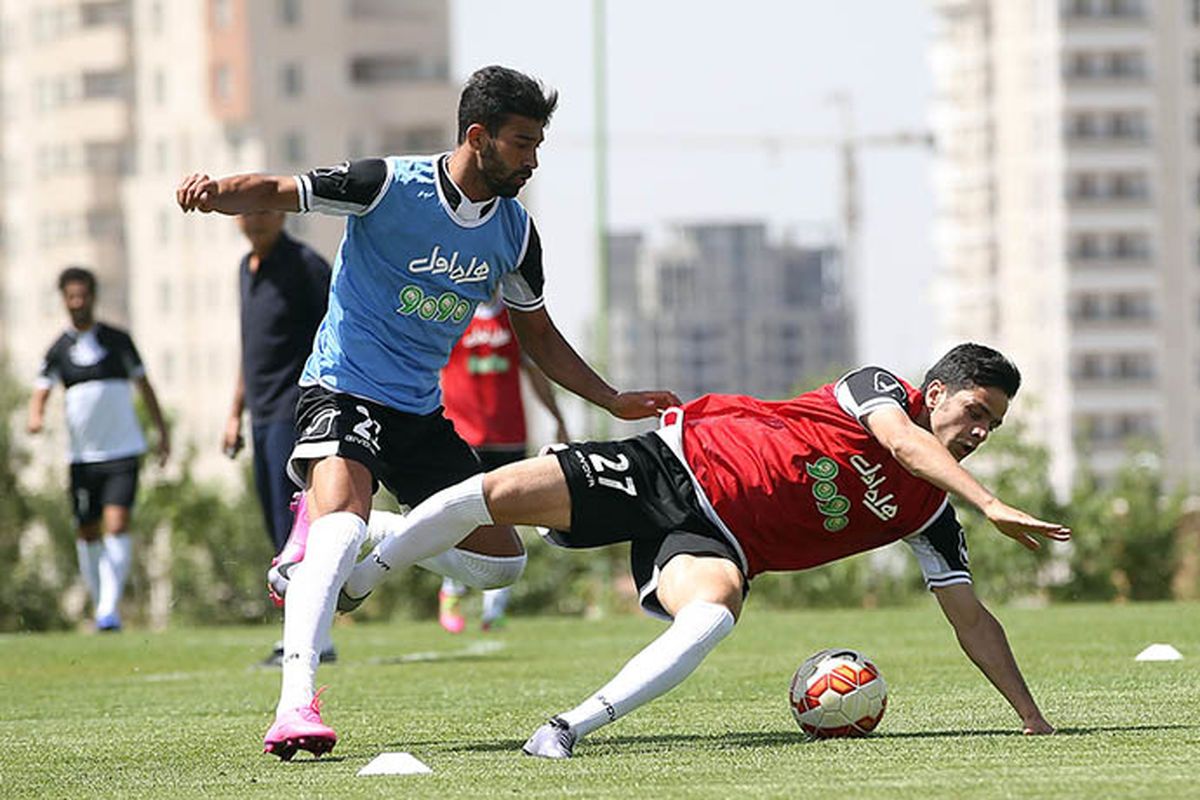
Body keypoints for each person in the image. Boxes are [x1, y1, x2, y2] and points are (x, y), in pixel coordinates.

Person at [175, 65, 679, 760]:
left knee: (500, 564)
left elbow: (538, 337)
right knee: (341, 517)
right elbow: (279, 190)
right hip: (343, 387)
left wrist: (612, 399)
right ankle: (296, 706)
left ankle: (353, 562)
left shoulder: (514, 234)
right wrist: (214, 193)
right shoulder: (386, 184)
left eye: (538, 144)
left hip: (419, 412)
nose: (533, 160)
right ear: (479, 137)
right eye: (522, 143)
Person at [336, 343, 1072, 757]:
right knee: (489, 499)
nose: (979, 432)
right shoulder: (879, 389)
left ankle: (563, 730)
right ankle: (365, 571)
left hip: (715, 540)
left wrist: (1031, 718)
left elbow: (971, 618)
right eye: (975, 411)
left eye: (993, 426)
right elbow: (904, 445)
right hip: (674, 463)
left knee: (714, 613)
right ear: (936, 392)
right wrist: (994, 501)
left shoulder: (934, 512)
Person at [27, 266, 170, 632]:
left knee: (118, 524)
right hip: (82, 458)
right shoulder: (59, 349)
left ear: (92, 296)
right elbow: (40, 390)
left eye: (83, 295)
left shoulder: (118, 341)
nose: (77, 303)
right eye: (71, 297)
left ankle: (108, 609)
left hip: (123, 451)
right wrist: (36, 417)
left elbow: (145, 385)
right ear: (64, 300)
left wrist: (161, 432)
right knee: (87, 530)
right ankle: (100, 599)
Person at [222, 210, 335, 667]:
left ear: (283, 212)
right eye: (246, 210)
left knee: (300, 530)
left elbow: (337, 330)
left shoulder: (305, 265)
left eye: (263, 207)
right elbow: (249, 350)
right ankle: (301, 633)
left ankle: (315, 640)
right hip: (261, 416)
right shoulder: (245, 269)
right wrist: (234, 411)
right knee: (276, 527)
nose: (255, 218)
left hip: (297, 411)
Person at [436, 295, 570, 633]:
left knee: (509, 518)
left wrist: (556, 415)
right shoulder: (453, 311)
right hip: (462, 433)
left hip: (509, 434)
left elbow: (535, 372)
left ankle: (494, 608)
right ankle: (452, 590)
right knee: (457, 516)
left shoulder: (515, 319)